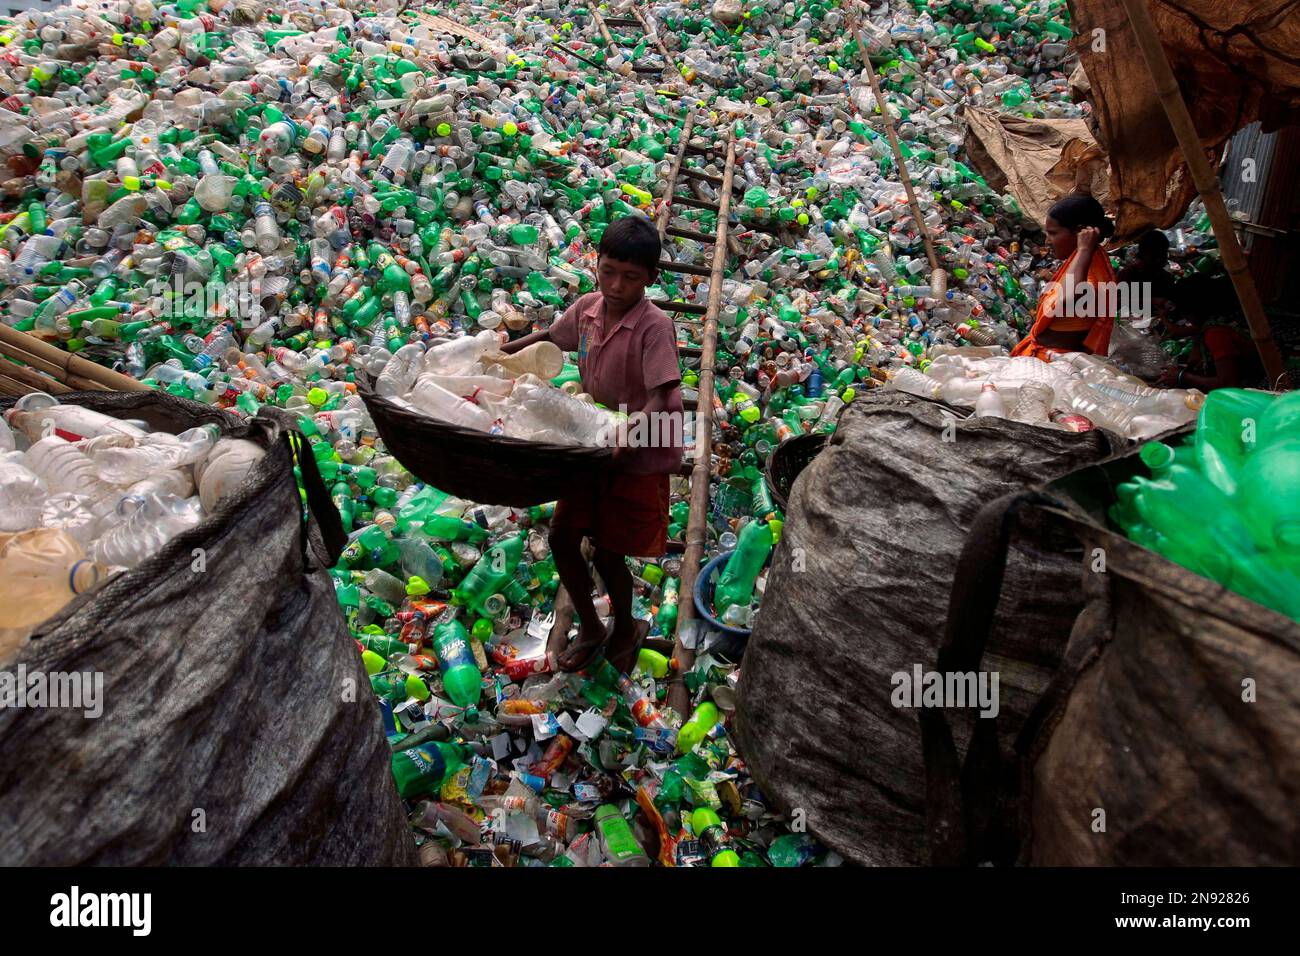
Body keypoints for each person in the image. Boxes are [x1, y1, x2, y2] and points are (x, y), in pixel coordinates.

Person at [501, 215, 683, 673]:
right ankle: (590, 623)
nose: (617, 285)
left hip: (638, 450)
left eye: (631, 277)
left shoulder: (654, 326)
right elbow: (549, 339)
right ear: (596, 264)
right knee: (563, 537)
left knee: (608, 548)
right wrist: (497, 353)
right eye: (608, 272)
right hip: (592, 443)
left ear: (650, 279)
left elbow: (663, 394)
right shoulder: (587, 308)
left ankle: (624, 623)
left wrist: (631, 434)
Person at [1012, 194, 1118, 362]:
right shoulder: (1080, 264)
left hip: (1054, 365)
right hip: (1043, 358)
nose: (1047, 241)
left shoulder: (1091, 273)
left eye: (1053, 233)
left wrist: (1084, 250)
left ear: (1080, 232)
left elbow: (1067, 297)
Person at [1156, 273, 1266, 391]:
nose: (1185, 317)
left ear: (1194, 310)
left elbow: (1227, 383)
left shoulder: (1216, 332)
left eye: (1184, 312)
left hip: (1253, 388)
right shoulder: (1224, 315)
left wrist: (1182, 376)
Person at [1116, 229, 1177, 314]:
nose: (1160, 259)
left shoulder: (1166, 279)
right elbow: (1115, 301)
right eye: (1155, 255)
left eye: (1163, 254)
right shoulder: (1128, 275)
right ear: (1143, 253)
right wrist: (1151, 300)